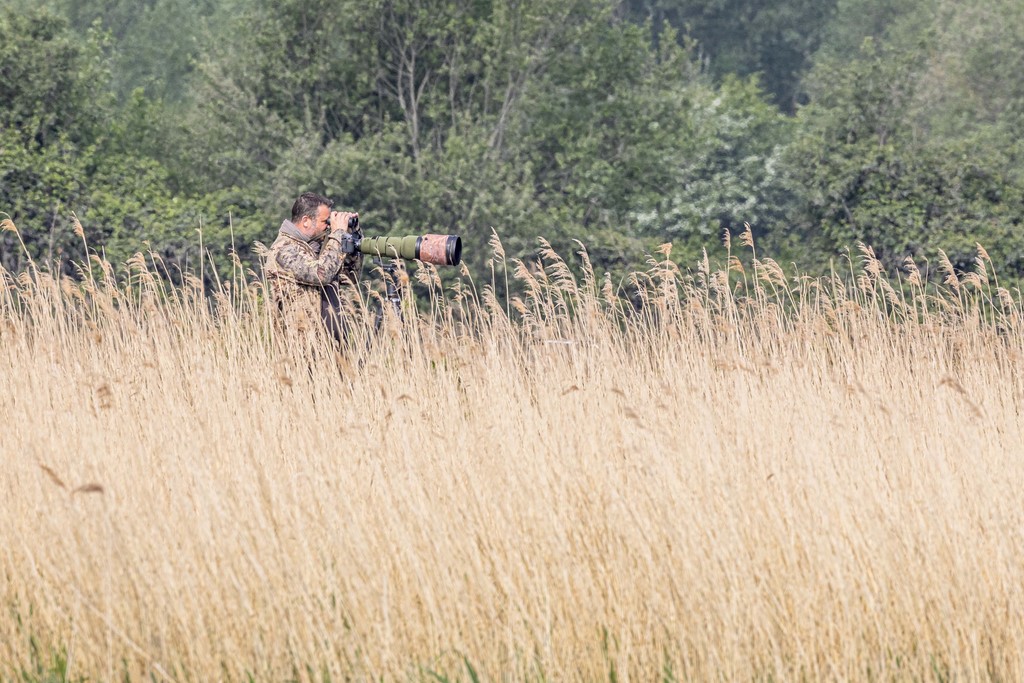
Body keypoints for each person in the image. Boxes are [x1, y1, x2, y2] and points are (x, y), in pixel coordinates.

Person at [263, 192, 362, 339]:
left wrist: (352, 234)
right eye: (325, 221)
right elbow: (321, 274)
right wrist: (338, 233)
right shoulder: (283, 249)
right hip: (302, 348)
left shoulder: (318, 248)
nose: (328, 227)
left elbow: (350, 276)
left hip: (331, 347)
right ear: (306, 221)